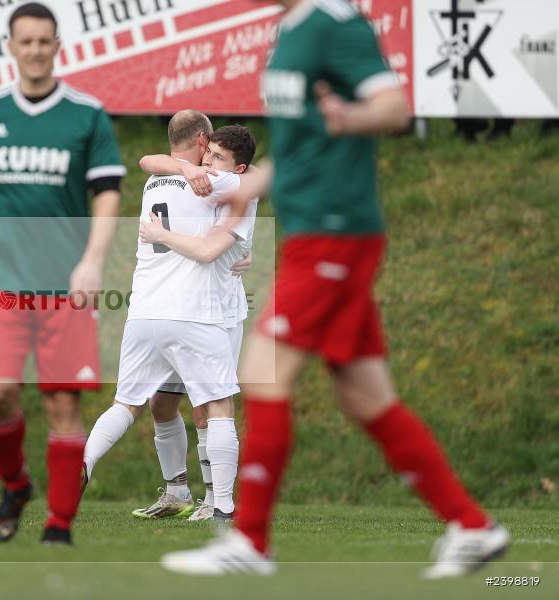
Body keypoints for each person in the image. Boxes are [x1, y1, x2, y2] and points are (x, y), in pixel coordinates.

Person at [161, 0, 509, 578]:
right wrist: (254, 185)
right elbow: (304, 142)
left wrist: (345, 117)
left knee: (262, 370)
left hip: (336, 233)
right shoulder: (292, 29)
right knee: (366, 396)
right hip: (312, 233)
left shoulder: (336, 23)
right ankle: (473, 527)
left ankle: (249, 541)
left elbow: (392, 107)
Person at [0, 2, 125, 546]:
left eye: (45, 41)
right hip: (0, 284)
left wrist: (91, 261)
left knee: (62, 403)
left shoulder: (86, 115)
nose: (36, 50)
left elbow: (108, 194)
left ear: (57, 46)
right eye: (27, 41)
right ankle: (15, 485)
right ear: (11, 47)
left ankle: (59, 525)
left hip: (66, 289)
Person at [83, 114, 263, 522]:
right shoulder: (199, 177)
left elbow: (149, 161)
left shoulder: (172, 181)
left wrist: (235, 248)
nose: (210, 162)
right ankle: (184, 494)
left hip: (199, 309)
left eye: (219, 157)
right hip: (189, 311)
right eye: (210, 153)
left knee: (189, 404)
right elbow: (157, 162)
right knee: (168, 404)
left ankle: (215, 501)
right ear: (201, 141)